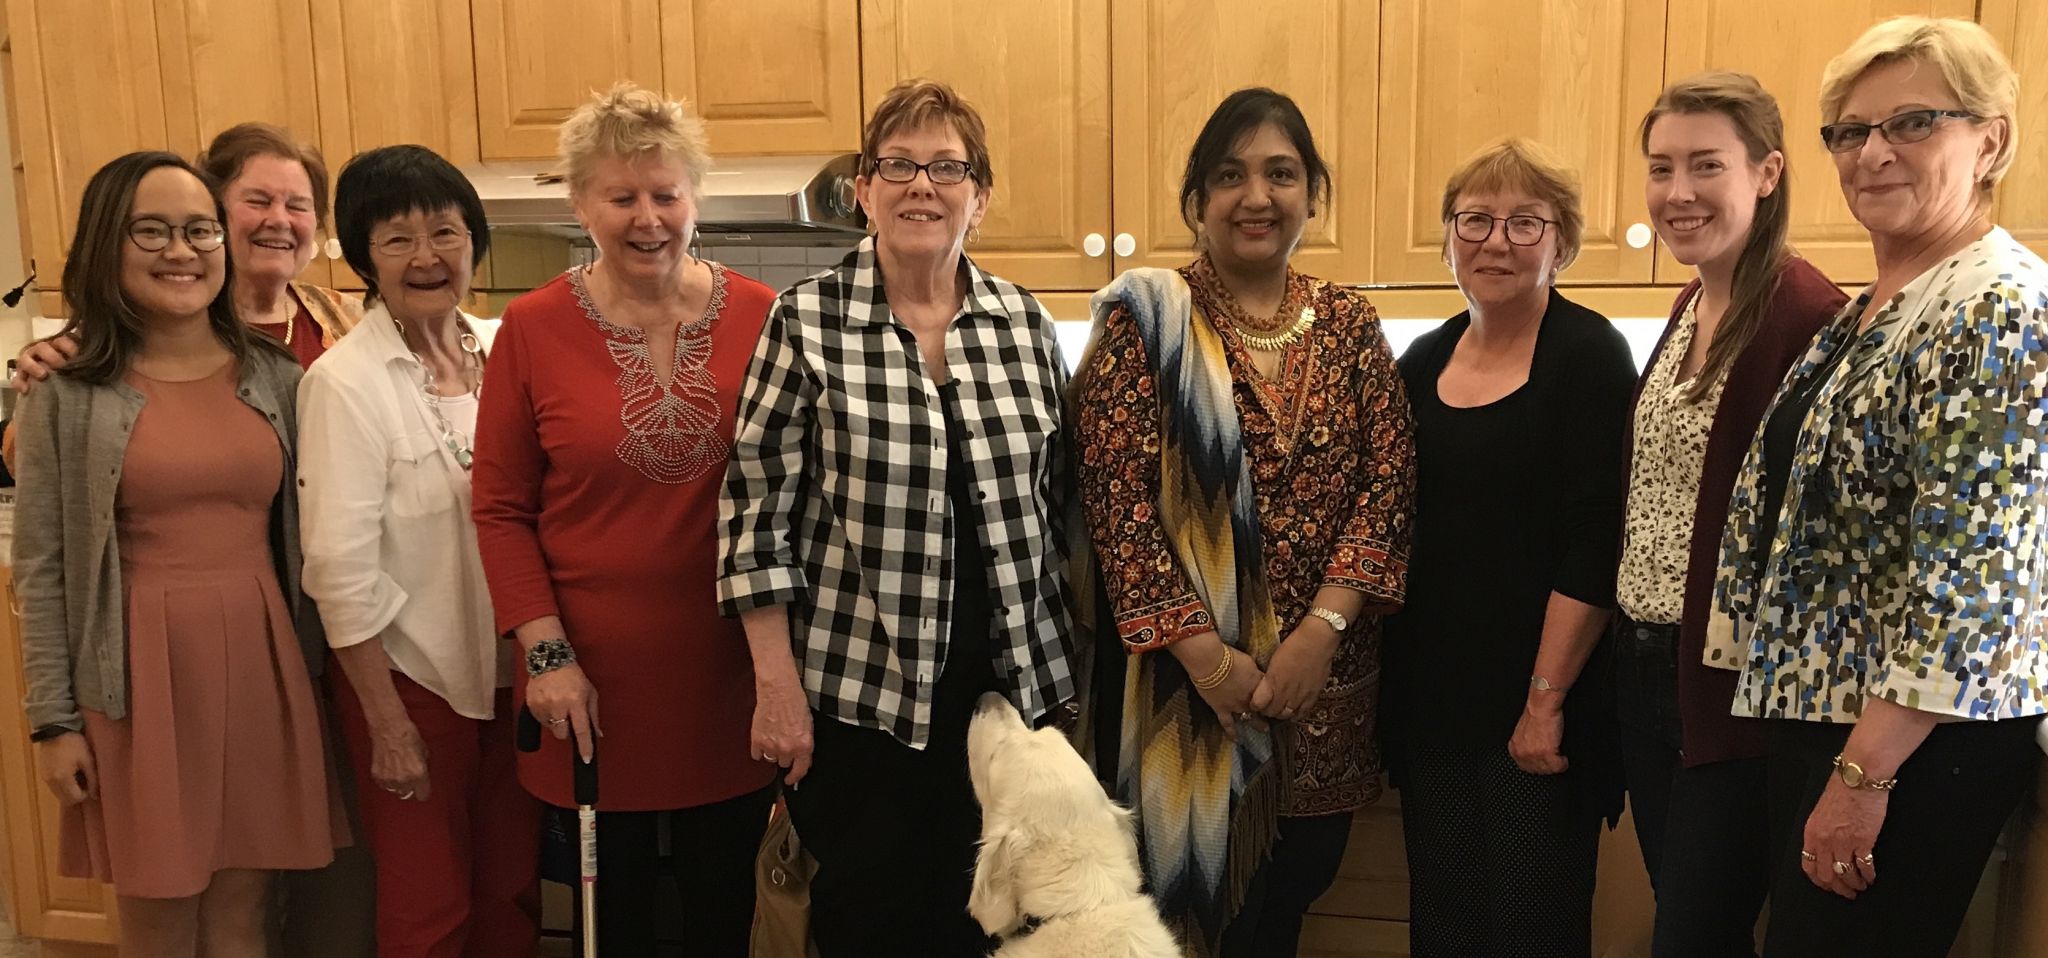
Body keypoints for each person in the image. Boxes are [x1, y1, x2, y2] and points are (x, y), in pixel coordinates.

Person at [1709, 18, 2047, 957]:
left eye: (1912, 124)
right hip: (1840, 722)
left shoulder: (1995, 308)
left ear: (1991, 142)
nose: (1873, 153)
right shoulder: (1877, 305)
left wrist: (1861, 781)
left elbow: (1972, 585)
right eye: (1851, 132)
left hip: (1908, 748)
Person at [719, 79, 1077, 958]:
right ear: (864, 193)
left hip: (1006, 702)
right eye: (899, 164)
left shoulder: (1023, 324)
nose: (924, 184)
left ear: (979, 198)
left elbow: (1056, 504)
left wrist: (1065, 687)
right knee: (871, 922)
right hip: (859, 705)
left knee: (999, 930)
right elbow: (754, 514)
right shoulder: (806, 323)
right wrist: (776, 692)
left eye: (947, 166)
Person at [1072, 87, 1414, 958]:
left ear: (1312, 196)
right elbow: (1120, 511)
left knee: (1289, 905)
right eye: (1230, 175)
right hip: (1195, 702)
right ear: (1197, 202)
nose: (1256, 196)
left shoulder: (1349, 326)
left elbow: (1388, 483)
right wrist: (1209, 659)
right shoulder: (1146, 327)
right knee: (1191, 928)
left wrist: (1321, 633)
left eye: (1280, 174)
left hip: (1327, 696)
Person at [10, 150, 343, 956]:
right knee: (159, 917)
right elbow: (44, 568)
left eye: (198, 230)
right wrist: (53, 721)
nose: (181, 251)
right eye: (150, 230)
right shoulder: (65, 390)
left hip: (265, 668)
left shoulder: (279, 376)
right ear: (105, 245)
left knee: (244, 912)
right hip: (136, 683)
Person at [471, 83, 778, 956]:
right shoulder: (528, 329)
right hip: (588, 692)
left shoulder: (765, 318)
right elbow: (498, 509)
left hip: (734, 679)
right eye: (621, 196)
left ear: (695, 199)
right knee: (619, 923)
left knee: (727, 910)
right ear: (580, 205)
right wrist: (548, 654)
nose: (648, 218)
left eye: (666, 194)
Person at [1384, 138, 1637, 958]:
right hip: (1433, 703)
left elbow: (1596, 540)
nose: (1496, 241)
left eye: (1526, 222)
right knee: (1447, 920)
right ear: (1449, 237)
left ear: (1562, 242)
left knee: (1532, 923)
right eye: (1476, 220)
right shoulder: (1422, 360)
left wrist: (1544, 702)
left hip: (1539, 705)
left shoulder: (1589, 355)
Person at [1620, 73, 1848, 958]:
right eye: (1661, 167)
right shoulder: (1689, 302)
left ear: (1767, 173)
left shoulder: (1803, 313)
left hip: (1735, 697)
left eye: (1705, 165)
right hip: (1650, 678)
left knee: (1693, 937)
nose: (1677, 193)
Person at [299, 144, 542, 958]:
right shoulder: (344, 381)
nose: (428, 256)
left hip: (522, 671)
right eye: (398, 238)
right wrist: (385, 720)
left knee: (508, 890)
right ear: (365, 255)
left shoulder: (511, 346)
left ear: (475, 242)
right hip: (412, 676)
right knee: (427, 904)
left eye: (446, 231)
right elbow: (338, 566)